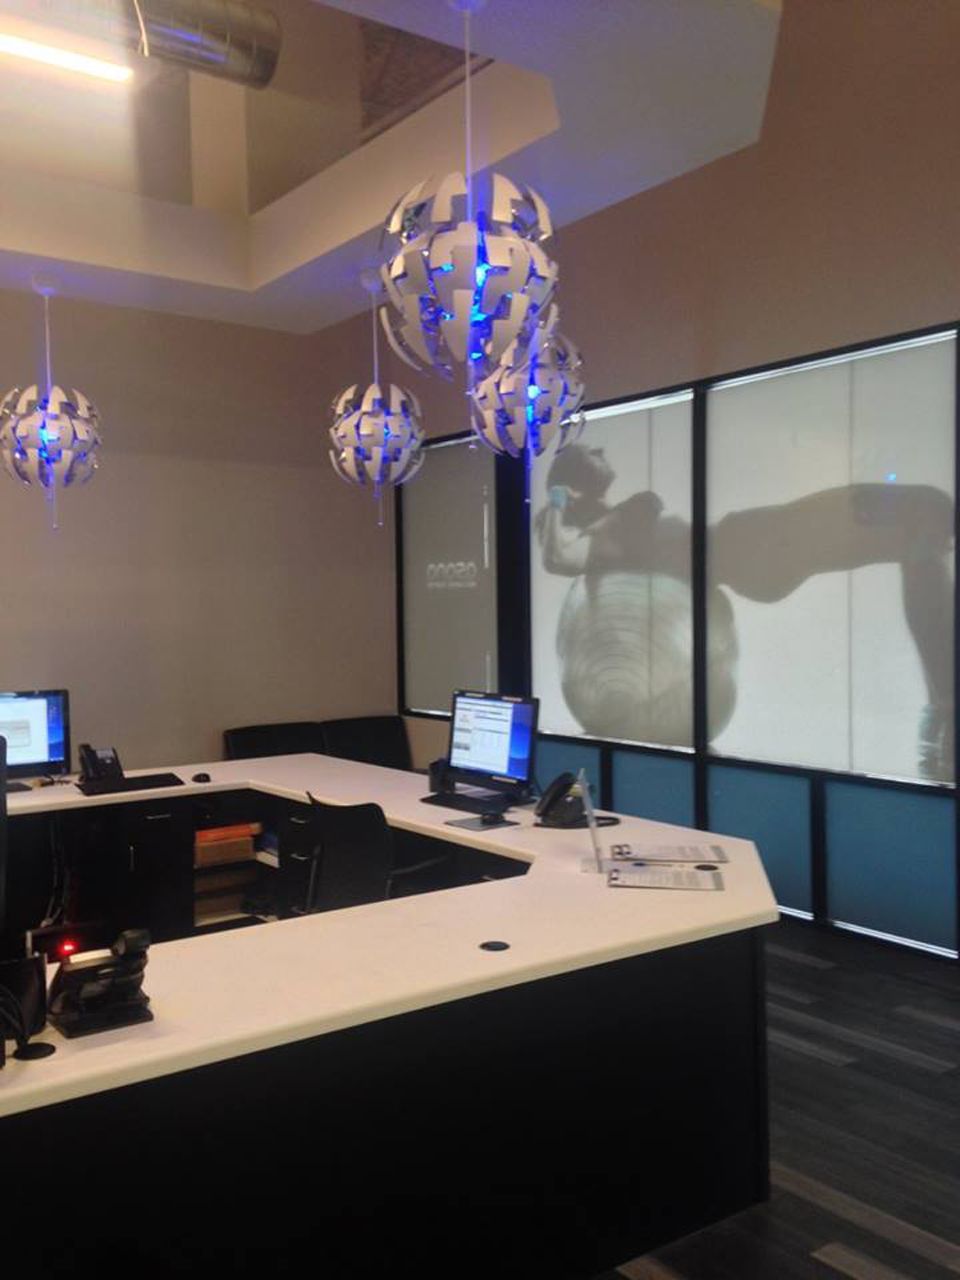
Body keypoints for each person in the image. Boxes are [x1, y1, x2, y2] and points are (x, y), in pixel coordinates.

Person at [536, 442, 954, 780]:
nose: (602, 450)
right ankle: (944, 712)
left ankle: (943, 710)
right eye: (590, 453)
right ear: (573, 487)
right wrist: (556, 500)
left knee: (926, 515)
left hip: (746, 544)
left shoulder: (612, 523)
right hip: (751, 547)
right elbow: (558, 558)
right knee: (924, 510)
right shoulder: (597, 531)